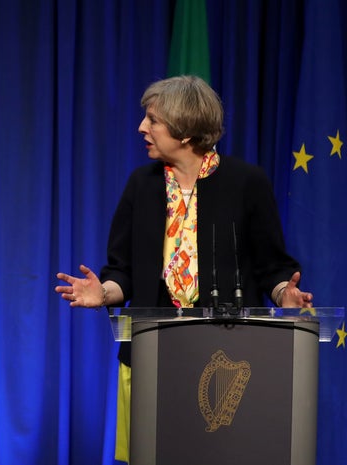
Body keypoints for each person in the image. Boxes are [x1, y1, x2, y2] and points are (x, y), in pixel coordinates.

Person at [54, 75, 313, 462]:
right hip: (149, 353)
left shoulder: (246, 183)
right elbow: (121, 270)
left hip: (230, 351)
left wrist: (283, 293)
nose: (142, 128)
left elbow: (272, 267)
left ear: (186, 131)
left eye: (153, 120)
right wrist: (104, 292)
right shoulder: (141, 185)